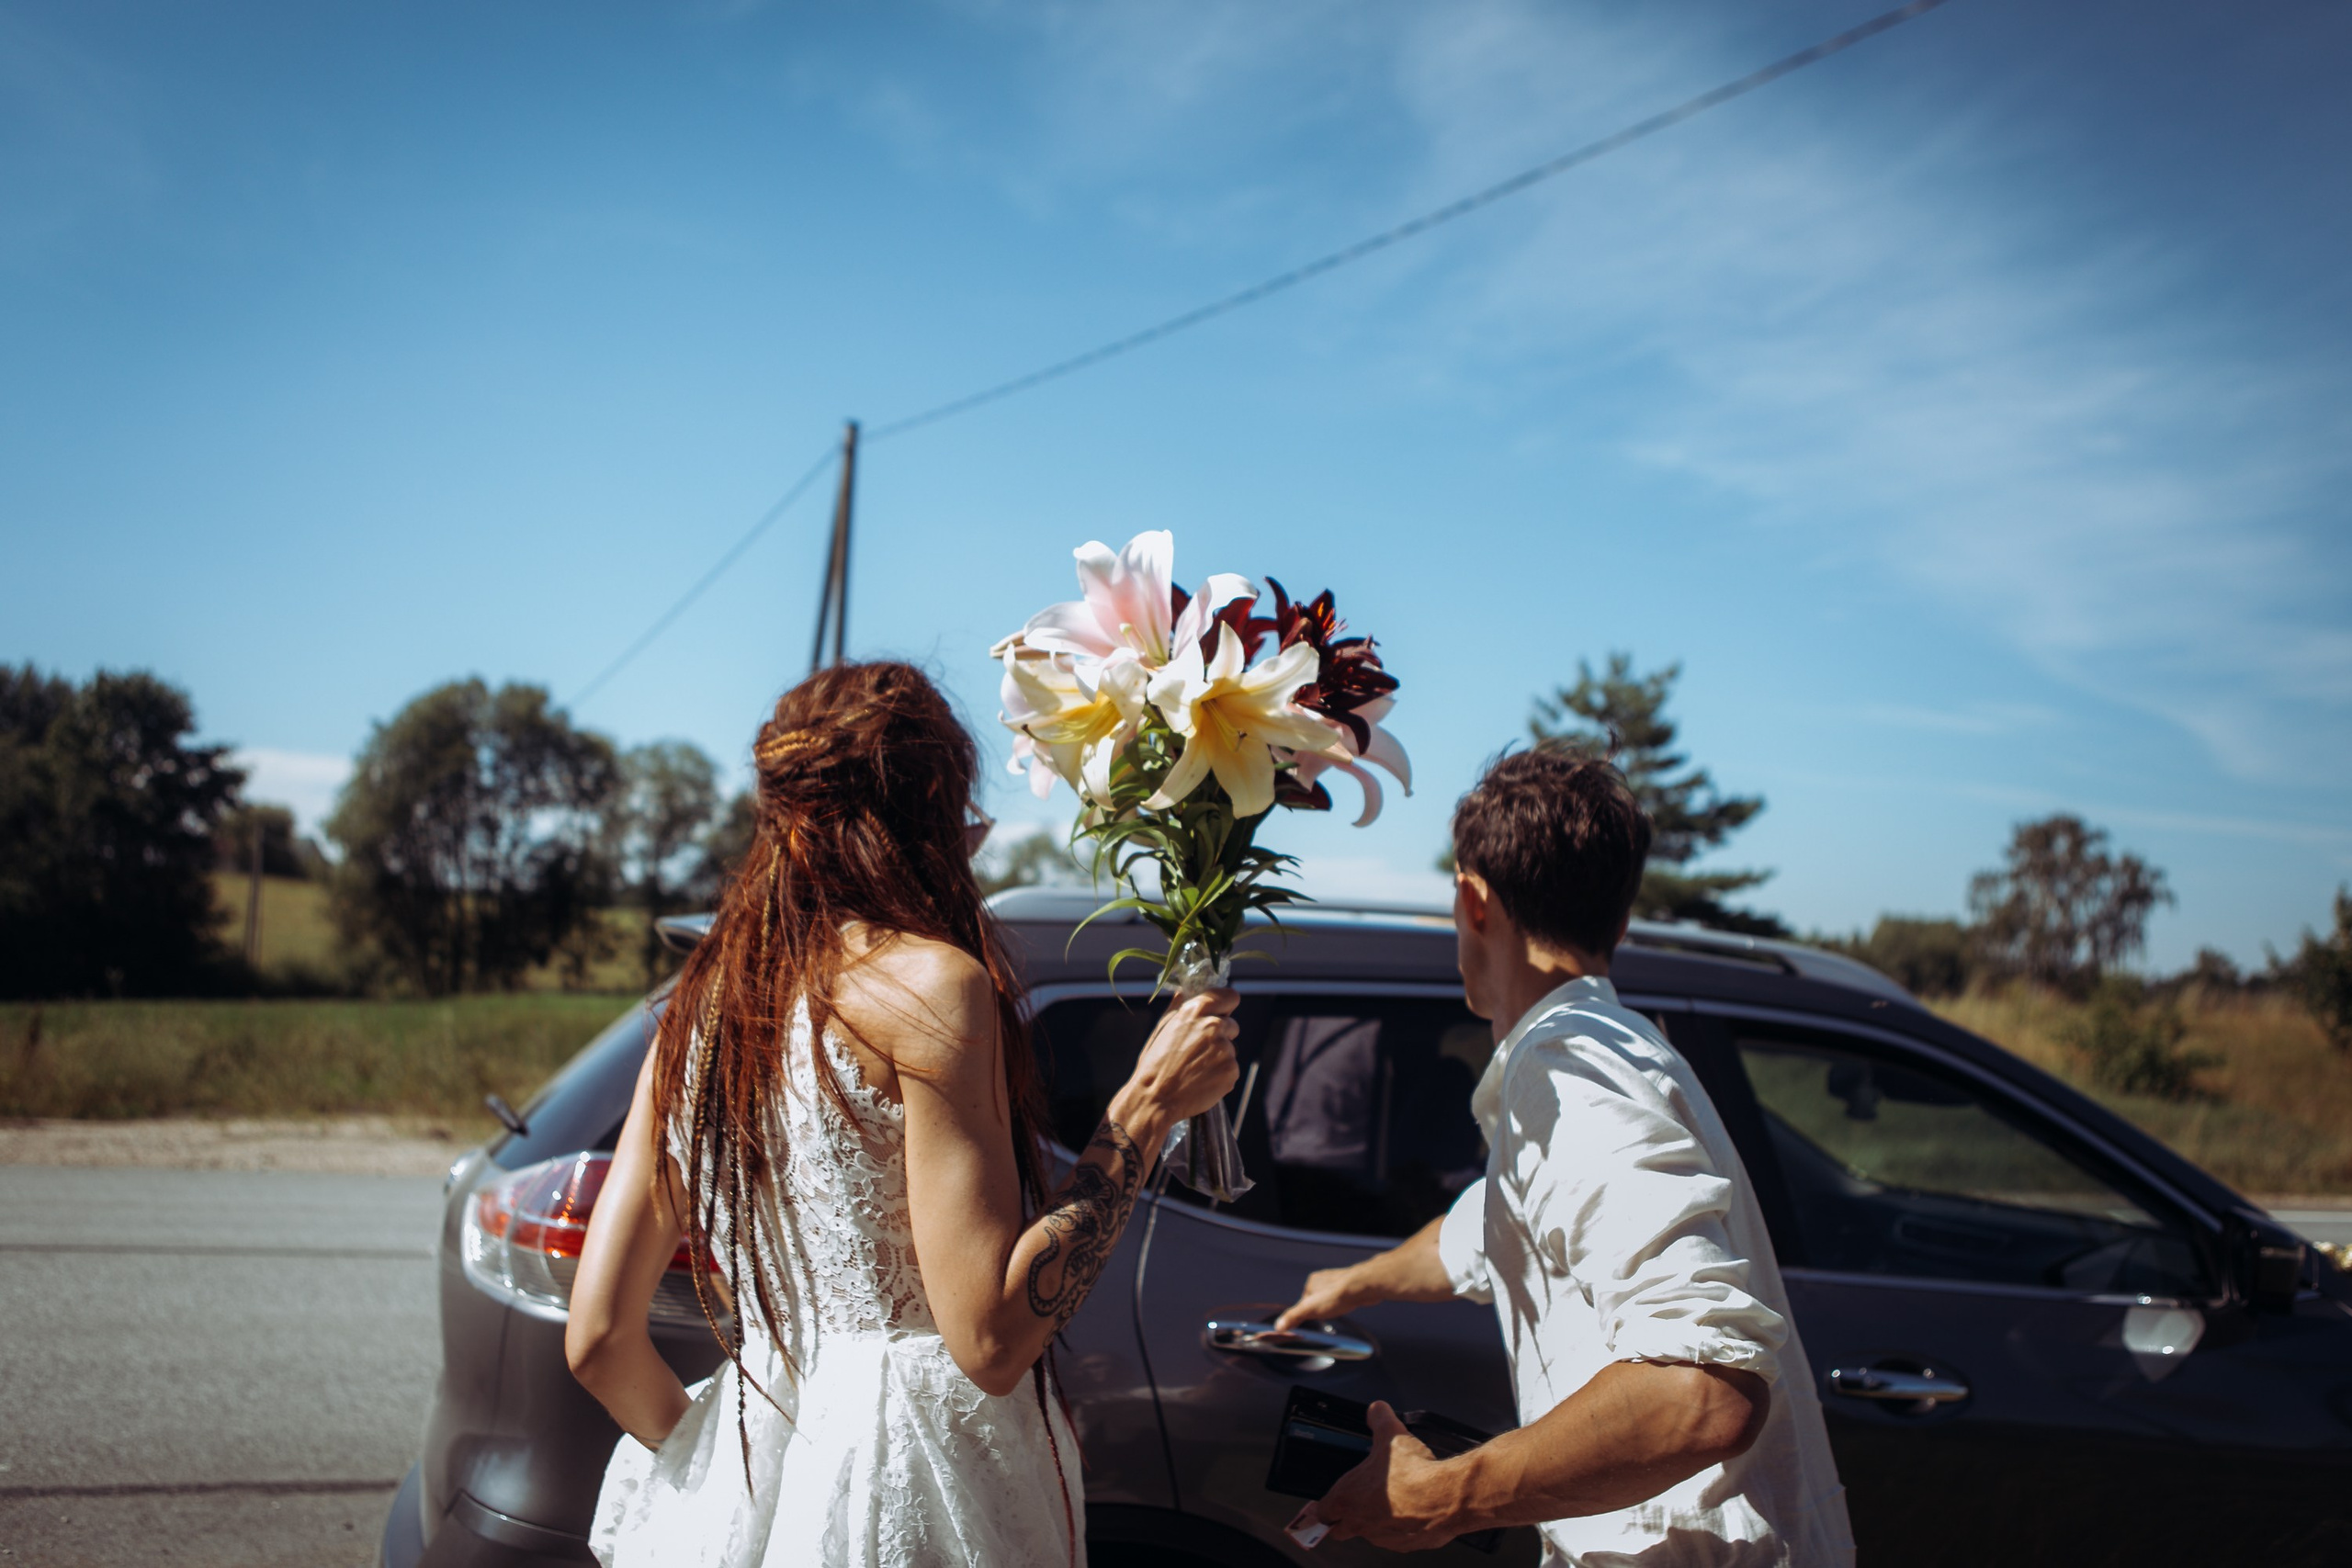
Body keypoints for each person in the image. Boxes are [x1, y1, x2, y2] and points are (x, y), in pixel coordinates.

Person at [564, 661, 1240, 1567]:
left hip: (741, 1491)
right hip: (917, 1496)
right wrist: (1145, 1110)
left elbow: (600, 1341)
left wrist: (719, 1478)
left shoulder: (700, 1009)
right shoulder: (932, 986)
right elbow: (992, 1340)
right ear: (927, 803)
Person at [1276, 750, 1852, 1565]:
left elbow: (1701, 1390)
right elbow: (1487, 1228)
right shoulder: (1597, 1052)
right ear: (1618, 922)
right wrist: (1351, 1282)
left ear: (1473, 902)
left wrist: (1443, 1496)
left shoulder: (1576, 1077)